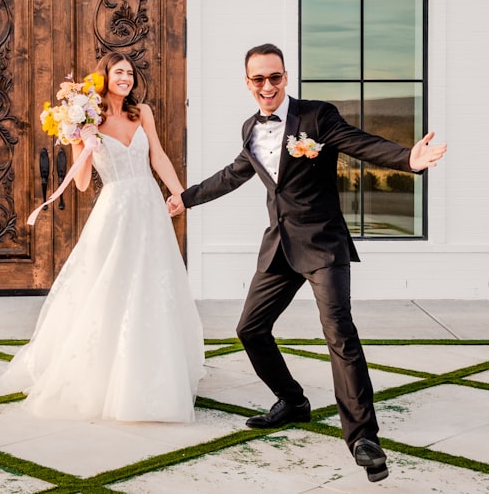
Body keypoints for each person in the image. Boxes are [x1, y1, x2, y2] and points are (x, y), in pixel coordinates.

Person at [167, 43, 446, 482]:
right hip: (279, 246)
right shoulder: (250, 129)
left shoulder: (316, 117)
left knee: (340, 333)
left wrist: (407, 159)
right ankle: (293, 401)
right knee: (250, 329)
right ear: (248, 83)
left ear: (285, 77)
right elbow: (233, 174)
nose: (267, 86)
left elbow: (359, 143)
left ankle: (362, 438)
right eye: (258, 79)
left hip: (322, 244)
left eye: (274, 77)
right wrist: (185, 200)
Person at [0, 51, 204, 422]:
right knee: (110, 286)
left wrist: (179, 194)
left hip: (149, 208)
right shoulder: (86, 118)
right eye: (119, 72)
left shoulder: (144, 113)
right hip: (116, 209)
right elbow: (82, 182)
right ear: (104, 76)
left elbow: (158, 156)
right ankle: (107, 374)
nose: (126, 77)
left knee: (153, 286)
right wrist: (85, 143)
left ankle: (156, 371)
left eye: (130, 73)